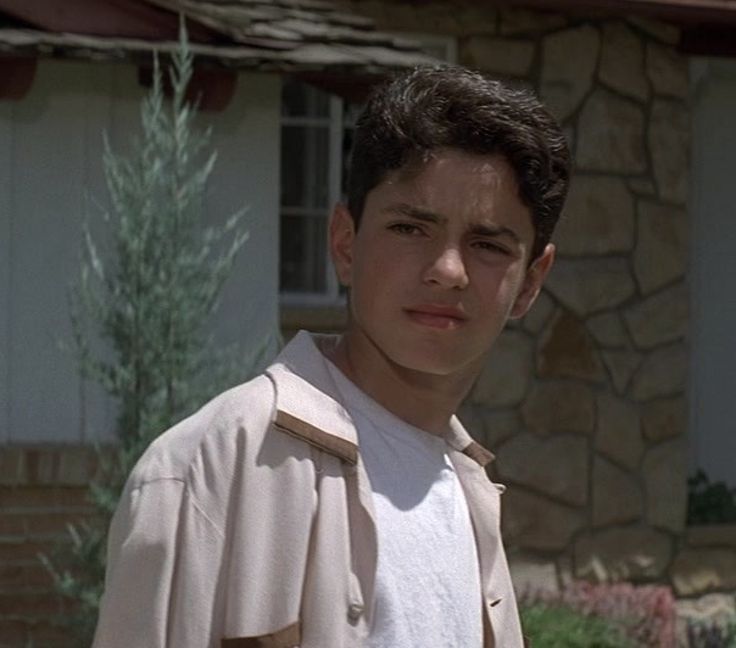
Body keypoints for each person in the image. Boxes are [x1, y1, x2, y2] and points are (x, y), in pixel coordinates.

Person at [92, 64, 570, 648]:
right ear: (345, 244)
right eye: (410, 229)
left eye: (489, 244)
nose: (448, 271)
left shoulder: (469, 493)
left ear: (529, 282)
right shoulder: (207, 472)